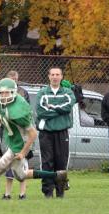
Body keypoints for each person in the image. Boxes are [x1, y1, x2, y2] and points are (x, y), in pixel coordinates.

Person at [0, 78, 68, 206]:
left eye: (7, 93)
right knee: (21, 175)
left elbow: (33, 134)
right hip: (12, 141)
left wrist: (23, 152)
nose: (3, 96)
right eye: (1, 93)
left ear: (14, 93)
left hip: (20, 144)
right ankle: (57, 175)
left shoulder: (18, 110)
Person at [35, 67, 75, 198]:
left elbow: (68, 107)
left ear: (62, 76)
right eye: (52, 74)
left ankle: (60, 191)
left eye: (57, 74)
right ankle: (48, 192)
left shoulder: (67, 92)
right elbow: (41, 112)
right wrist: (59, 111)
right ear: (48, 76)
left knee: (61, 162)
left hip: (62, 132)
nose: (55, 77)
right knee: (47, 162)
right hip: (46, 133)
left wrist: (51, 107)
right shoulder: (42, 92)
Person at [2, 70, 30, 200]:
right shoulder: (2, 93)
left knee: (21, 163)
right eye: (11, 78)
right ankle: (7, 194)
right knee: (8, 165)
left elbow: (27, 114)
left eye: (15, 78)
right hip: (8, 133)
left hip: (21, 134)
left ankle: (22, 193)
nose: (14, 80)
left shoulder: (23, 93)